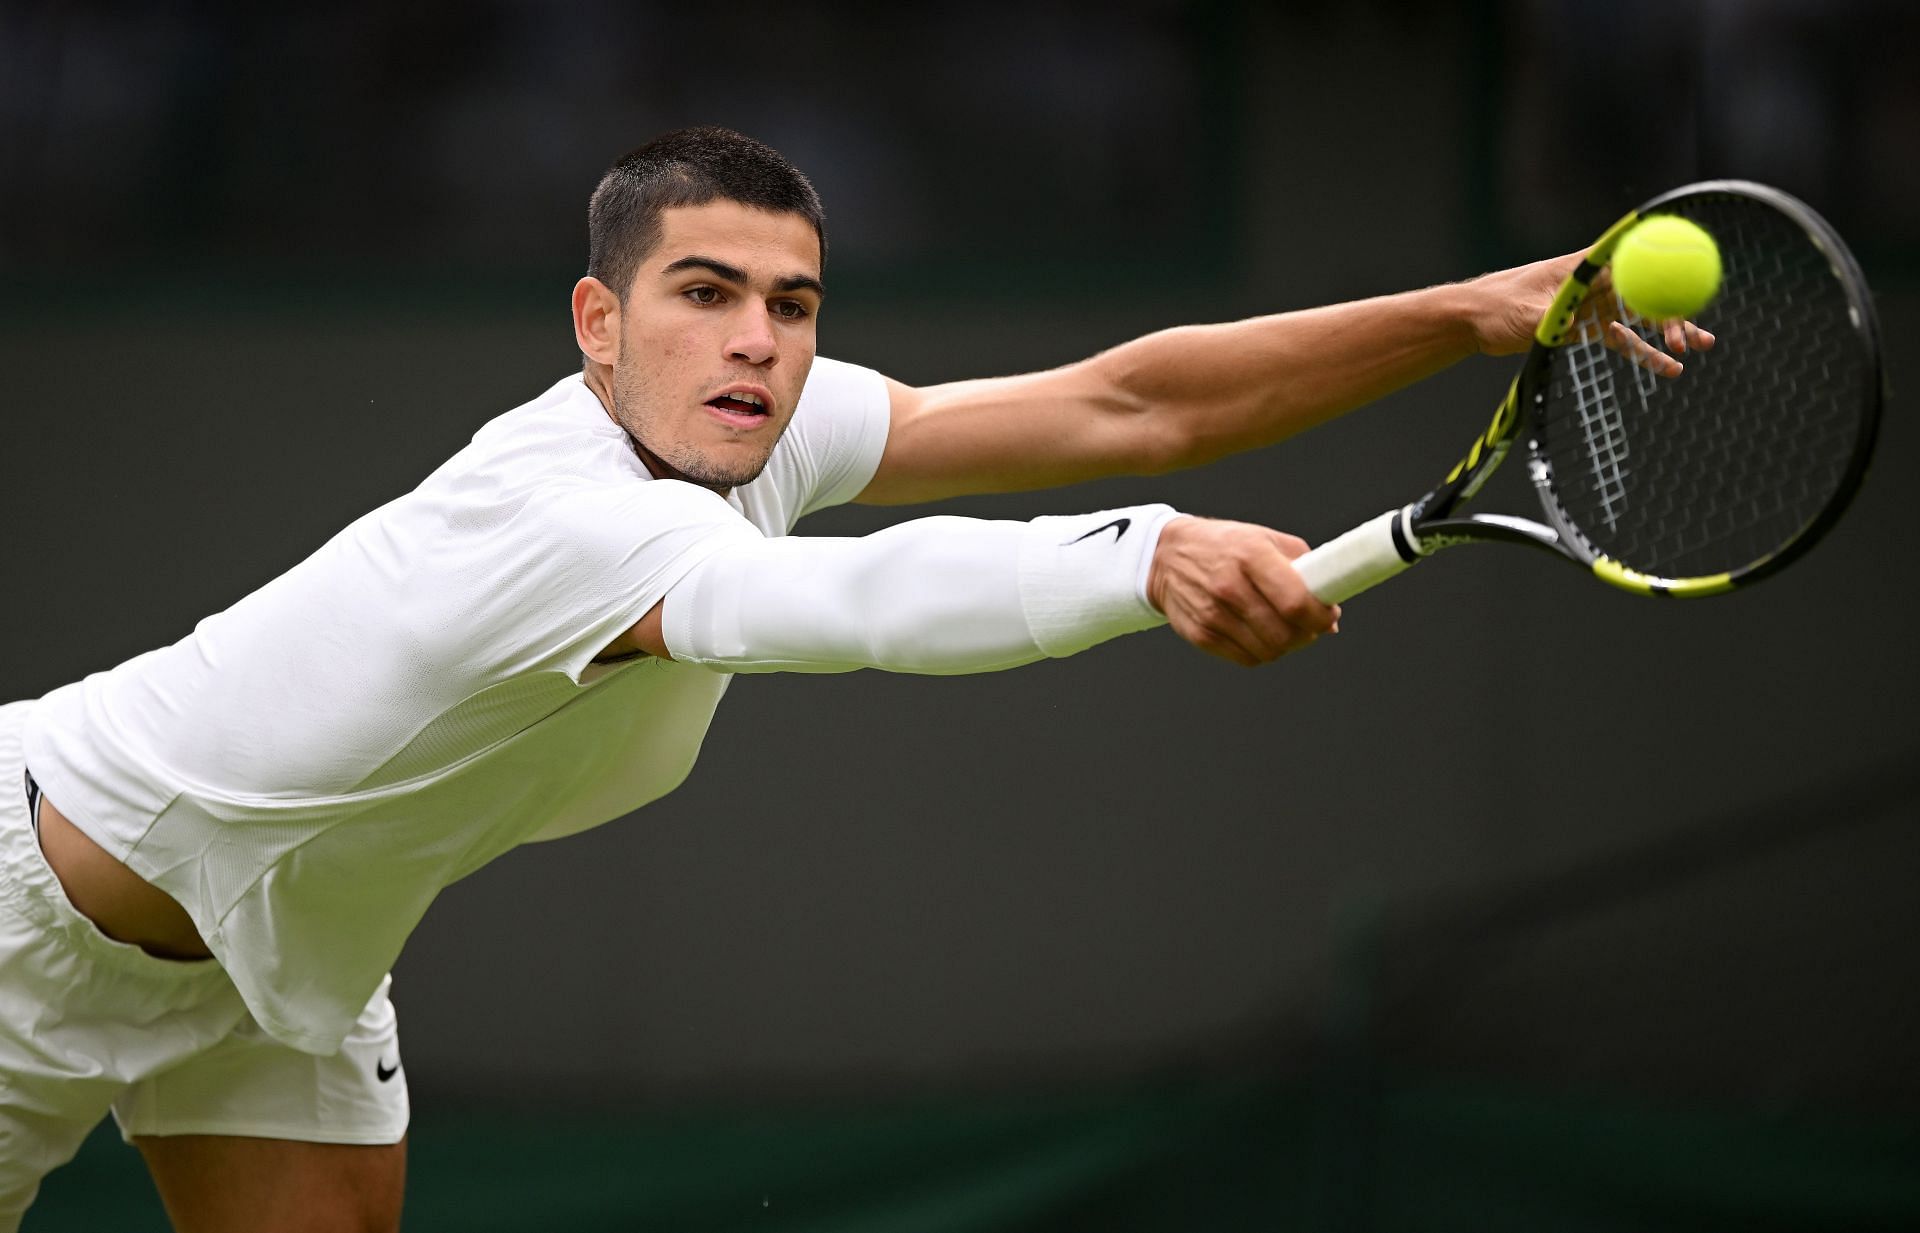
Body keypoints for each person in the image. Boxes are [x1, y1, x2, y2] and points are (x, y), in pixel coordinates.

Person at [0, 127, 1696, 1232]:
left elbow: (1126, 407)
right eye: (706, 294)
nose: (758, 339)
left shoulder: (770, 428)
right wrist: (1142, 557)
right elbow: (857, 602)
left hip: (278, 971)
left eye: (794, 304)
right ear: (598, 321)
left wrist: (1470, 307)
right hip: (34, 919)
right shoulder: (558, 523)